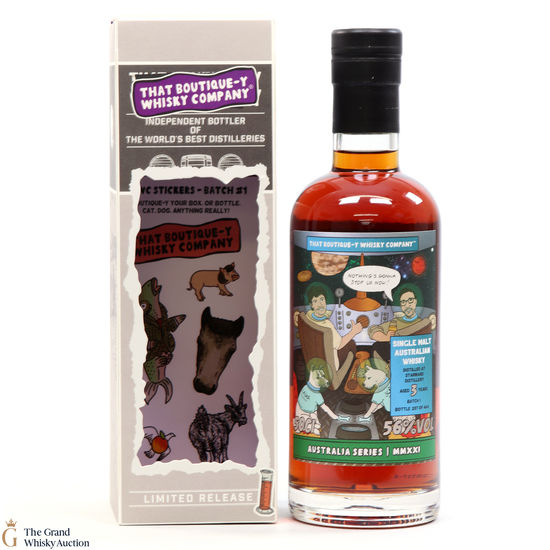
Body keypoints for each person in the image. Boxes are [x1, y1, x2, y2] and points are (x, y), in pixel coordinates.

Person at [294, 284, 363, 370]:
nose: (320, 304)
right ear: (311, 305)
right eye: (315, 301)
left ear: (325, 301)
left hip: (315, 362)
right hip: (331, 367)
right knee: (351, 344)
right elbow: (339, 345)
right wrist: (354, 331)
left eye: (322, 299)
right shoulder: (327, 324)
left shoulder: (306, 318)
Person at [368, 287, 436, 342]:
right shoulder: (394, 323)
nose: (407, 305)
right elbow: (372, 330)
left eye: (410, 300)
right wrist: (385, 338)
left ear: (415, 302)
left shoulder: (422, 323)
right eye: (403, 302)